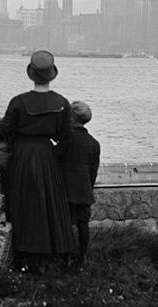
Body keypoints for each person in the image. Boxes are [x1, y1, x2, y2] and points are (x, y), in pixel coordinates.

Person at [0, 50, 77, 273]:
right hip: (46, 156)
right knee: (49, 205)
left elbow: (4, 130)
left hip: (21, 156)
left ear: (31, 74)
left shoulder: (18, 101)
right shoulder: (61, 102)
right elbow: (67, 137)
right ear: (52, 75)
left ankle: (21, 253)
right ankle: (50, 252)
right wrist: (53, 156)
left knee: (21, 203)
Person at [58, 101, 100, 266]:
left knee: (65, 223)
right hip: (84, 190)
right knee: (83, 224)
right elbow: (93, 171)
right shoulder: (94, 143)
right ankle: (82, 257)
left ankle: (65, 257)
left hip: (66, 188)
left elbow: (56, 159)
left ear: (71, 118)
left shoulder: (67, 139)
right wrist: (88, 188)